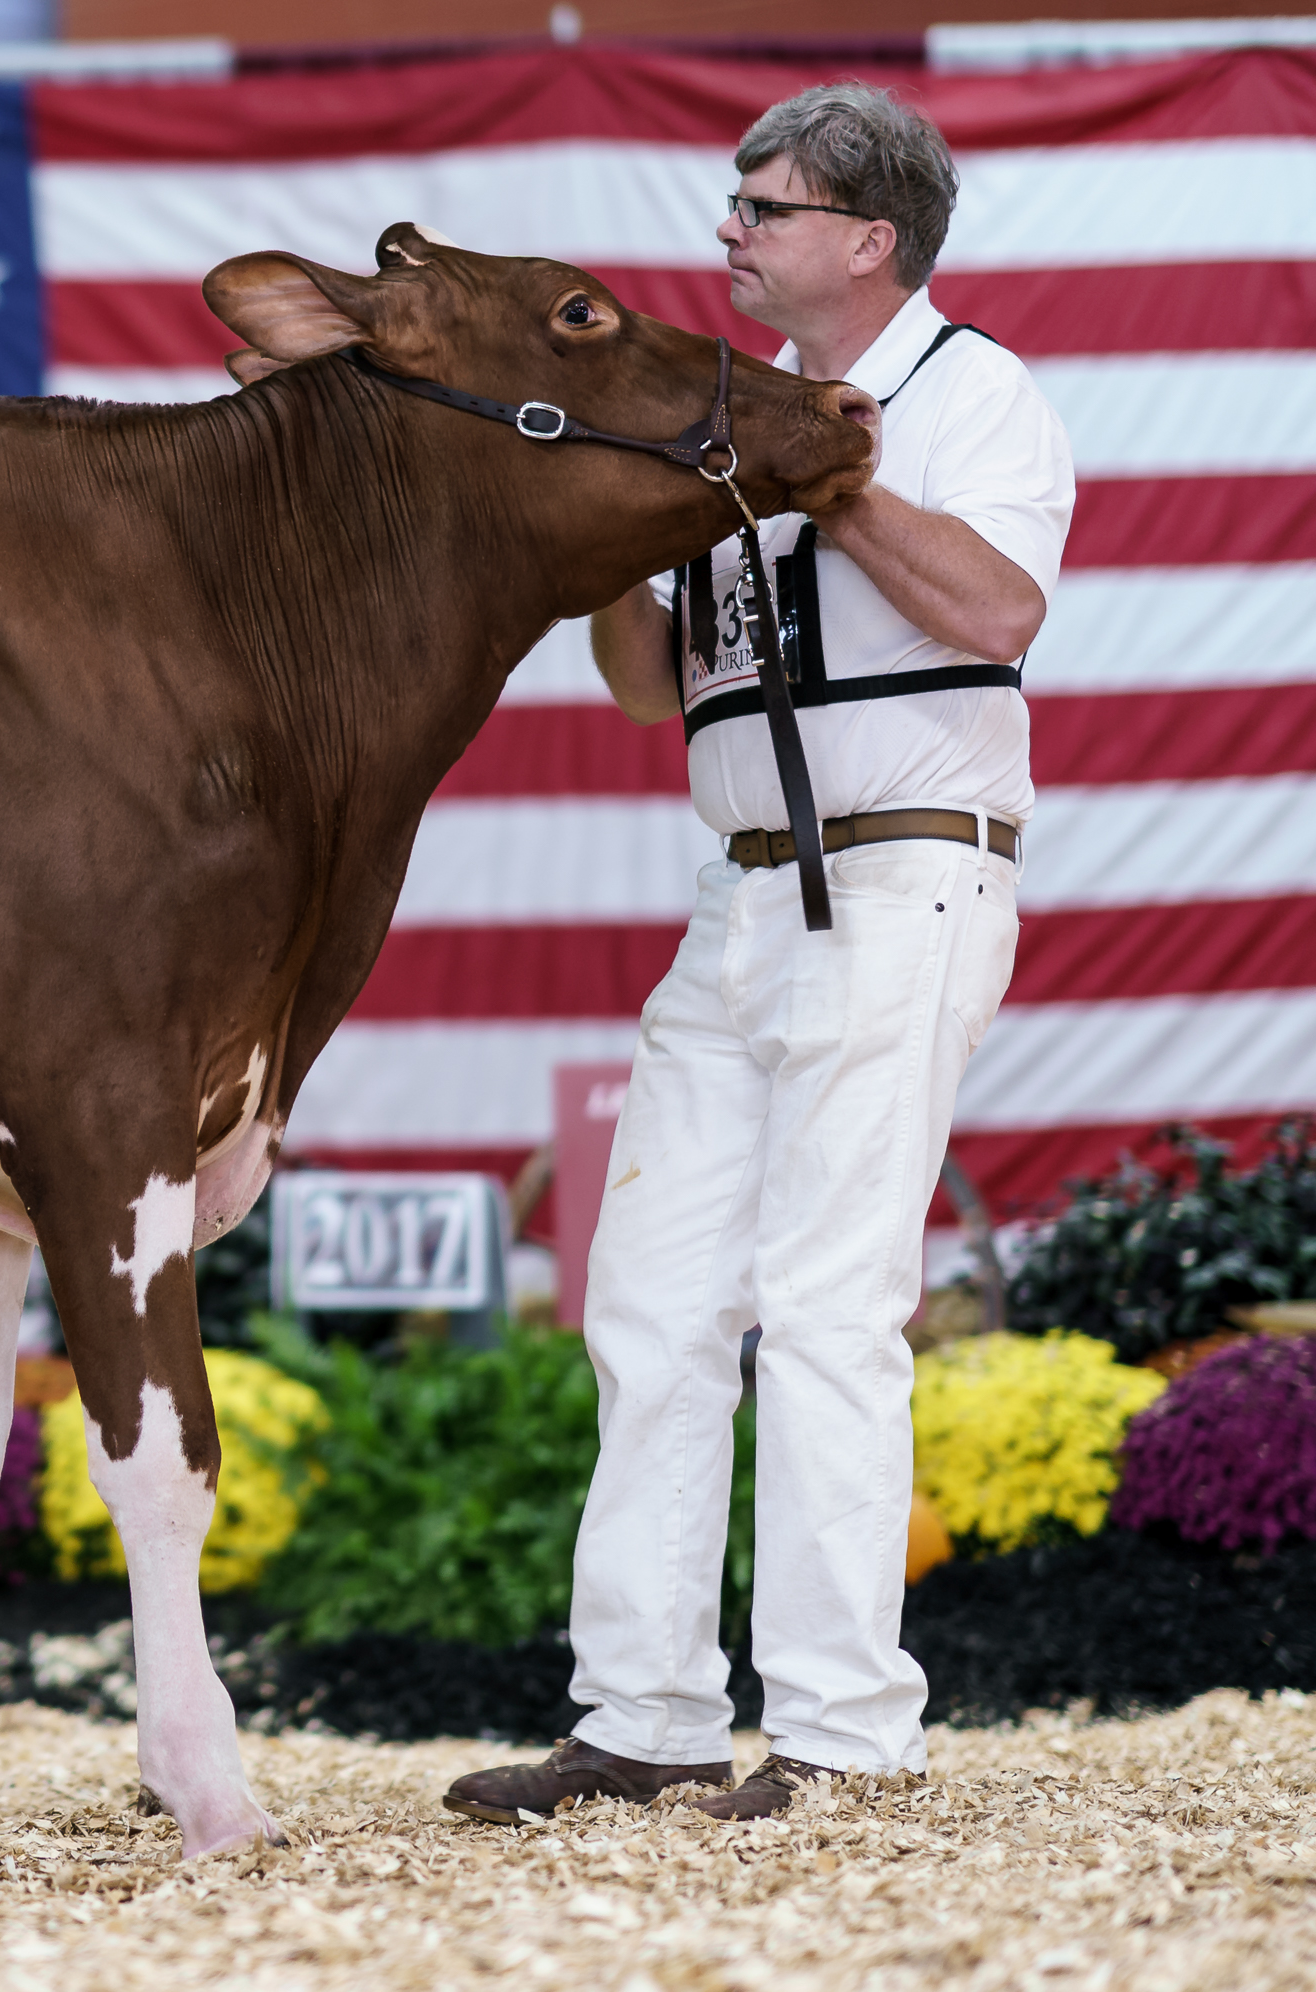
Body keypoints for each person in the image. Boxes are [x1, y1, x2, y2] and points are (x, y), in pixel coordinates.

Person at [443, 82, 1073, 1824]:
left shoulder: (975, 394)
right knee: (650, 1303)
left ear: (868, 240)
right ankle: (643, 1712)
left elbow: (999, 609)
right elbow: (656, 690)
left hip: (905, 875)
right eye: (736, 201)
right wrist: (602, 534)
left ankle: (843, 1735)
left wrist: (825, 480)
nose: (730, 229)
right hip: (737, 890)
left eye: (765, 206)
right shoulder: (731, 422)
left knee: (826, 1302)